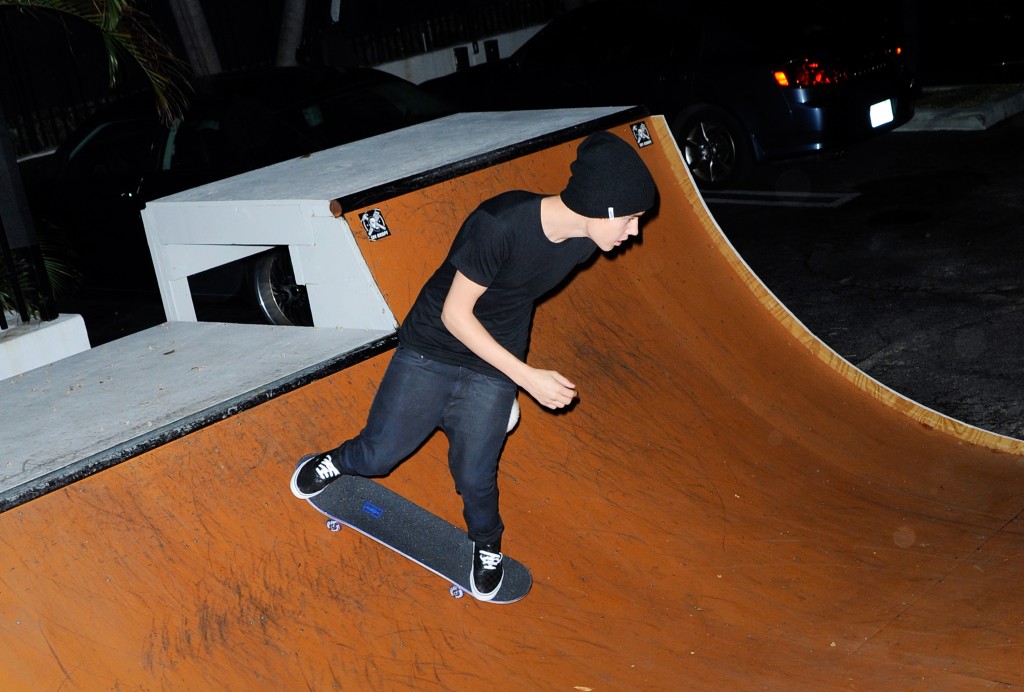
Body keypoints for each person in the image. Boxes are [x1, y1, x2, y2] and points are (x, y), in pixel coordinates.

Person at [290, 130, 658, 600]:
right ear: (599, 206)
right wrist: (524, 378)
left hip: (491, 361)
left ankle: (487, 545)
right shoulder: (499, 224)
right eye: (630, 219)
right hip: (434, 344)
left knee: (475, 473)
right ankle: (335, 461)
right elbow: (455, 314)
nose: (634, 232)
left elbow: (514, 296)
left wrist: (495, 388)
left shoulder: (585, 243)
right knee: (378, 456)